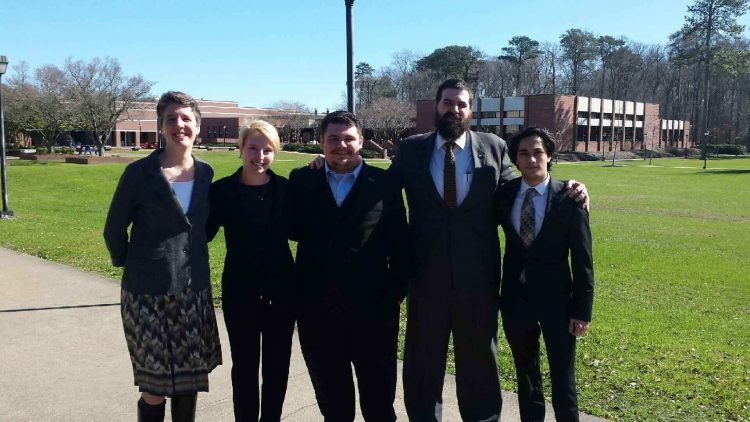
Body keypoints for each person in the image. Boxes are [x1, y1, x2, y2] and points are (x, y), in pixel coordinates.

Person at [389, 79, 589, 421]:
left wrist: (569, 187)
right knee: (423, 366)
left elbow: (522, 188)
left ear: (471, 110)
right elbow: (383, 191)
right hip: (426, 280)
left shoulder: (494, 147)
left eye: (461, 104)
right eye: (448, 102)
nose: (454, 109)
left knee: (479, 366)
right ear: (436, 106)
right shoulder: (412, 149)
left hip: (478, 283)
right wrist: (329, 166)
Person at [103, 91, 222, 422]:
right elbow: (114, 229)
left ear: (197, 126)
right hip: (147, 294)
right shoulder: (139, 174)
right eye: (171, 119)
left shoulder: (206, 174)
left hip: (193, 291)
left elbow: (203, 227)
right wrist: (133, 262)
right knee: (154, 384)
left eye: (186, 119)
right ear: (160, 127)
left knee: (190, 380)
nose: (179, 125)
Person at [290, 111, 410, 421]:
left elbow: (401, 243)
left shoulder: (384, 183)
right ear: (321, 142)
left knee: (379, 405)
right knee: (333, 406)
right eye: (333, 139)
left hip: (374, 313)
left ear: (361, 141)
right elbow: (289, 229)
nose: (341, 145)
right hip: (317, 313)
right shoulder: (302, 180)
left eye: (348, 138)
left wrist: (394, 294)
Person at [495, 127, 594, 422]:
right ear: (515, 159)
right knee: (526, 378)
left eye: (538, 152)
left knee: (563, 379)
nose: (531, 159)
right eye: (524, 153)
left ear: (549, 155)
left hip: (559, 303)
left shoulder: (570, 198)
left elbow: (583, 258)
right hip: (516, 301)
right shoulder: (503, 196)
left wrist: (582, 310)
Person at [206, 120, 296, 421]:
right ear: (241, 149)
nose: (260, 155)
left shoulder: (287, 190)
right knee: (244, 367)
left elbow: (306, 229)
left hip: (282, 292)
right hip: (239, 291)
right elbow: (201, 233)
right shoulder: (221, 192)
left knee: (277, 368)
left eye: (267, 150)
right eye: (253, 148)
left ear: (276, 152)